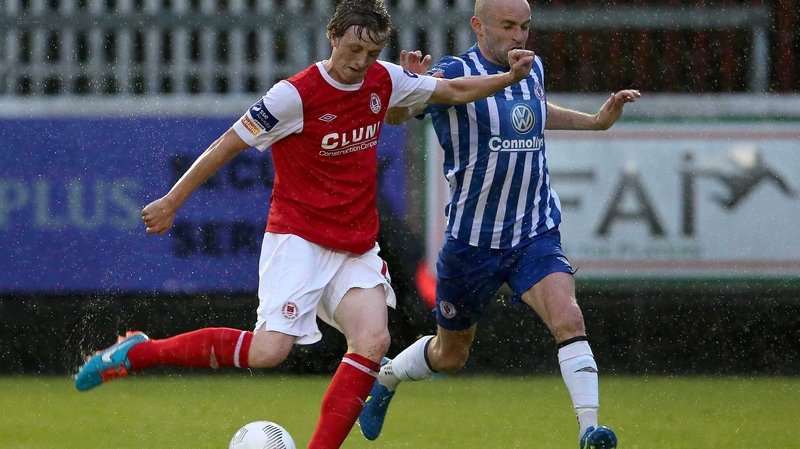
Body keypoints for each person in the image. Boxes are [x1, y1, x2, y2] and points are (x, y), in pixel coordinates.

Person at [73, 0, 536, 447]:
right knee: (268, 352)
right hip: (299, 241)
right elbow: (227, 145)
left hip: (355, 246)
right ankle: (138, 352)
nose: (360, 62)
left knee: (373, 340)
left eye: (371, 54)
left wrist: (508, 78)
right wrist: (173, 201)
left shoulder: (384, 80)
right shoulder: (293, 95)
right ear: (332, 37)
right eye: (353, 50)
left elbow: (453, 91)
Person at [357, 0, 640, 448]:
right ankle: (389, 377)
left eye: (525, 26)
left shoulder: (533, 68)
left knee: (568, 318)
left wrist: (596, 122)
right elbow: (396, 118)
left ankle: (590, 429)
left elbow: (534, 112)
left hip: (533, 231)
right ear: (478, 26)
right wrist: (405, 89)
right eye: (507, 26)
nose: (518, 36)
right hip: (472, 242)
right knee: (451, 355)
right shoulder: (452, 73)